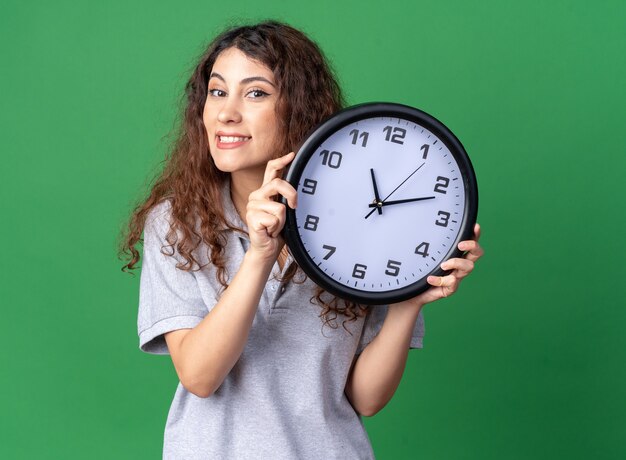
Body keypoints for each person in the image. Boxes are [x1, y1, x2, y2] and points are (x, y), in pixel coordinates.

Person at [121, 20, 484, 459]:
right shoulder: (177, 224)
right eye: (217, 91)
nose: (226, 112)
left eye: (255, 93)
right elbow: (200, 376)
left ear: (297, 107)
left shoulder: (367, 227)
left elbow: (366, 398)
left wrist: (408, 302)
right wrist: (260, 253)